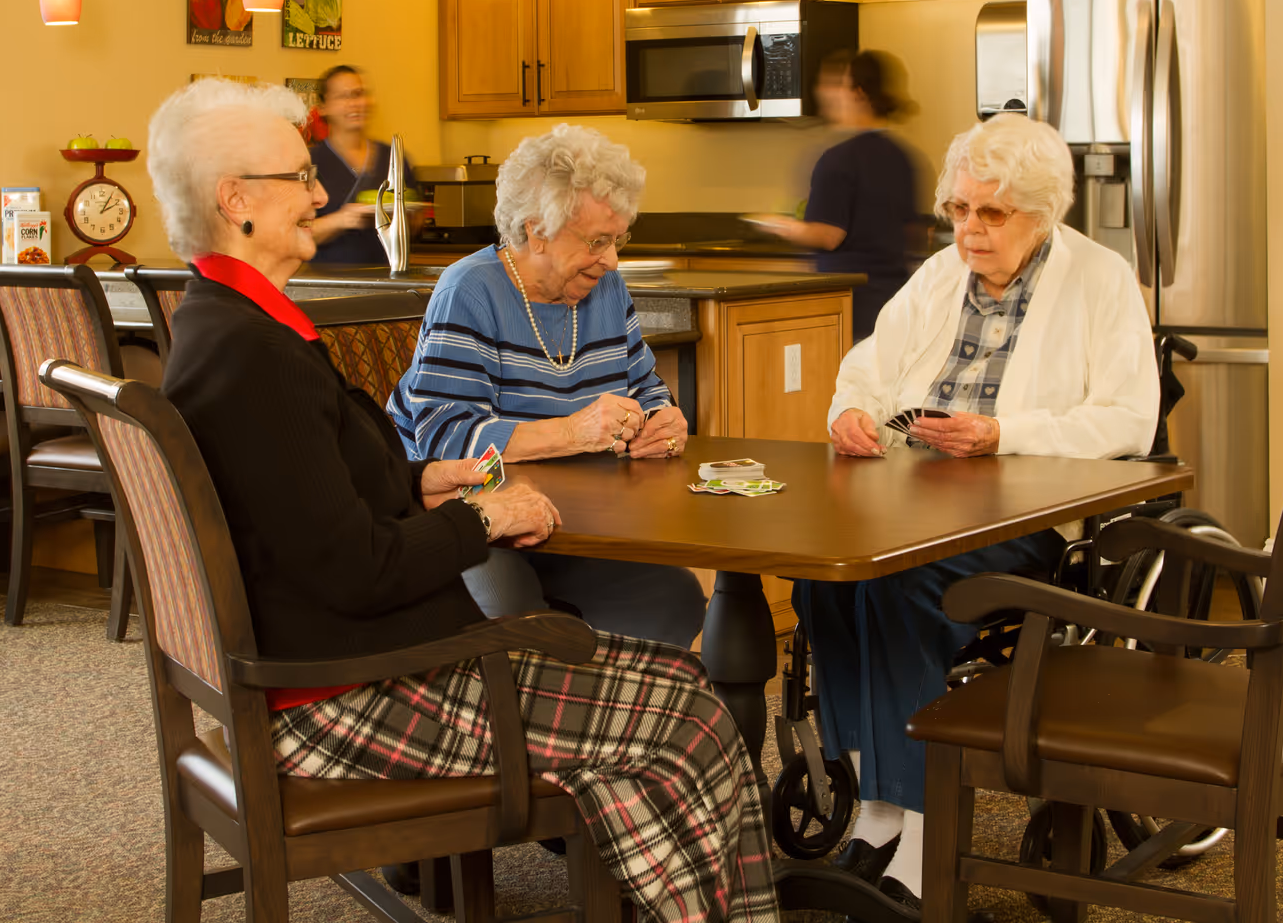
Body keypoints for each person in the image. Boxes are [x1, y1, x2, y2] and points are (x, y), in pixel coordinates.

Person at [145, 80, 776, 923]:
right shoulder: (256, 360)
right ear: (237, 201)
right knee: (690, 714)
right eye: (300, 176)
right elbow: (359, 571)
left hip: (350, 668)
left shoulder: (225, 328)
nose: (321, 193)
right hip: (349, 695)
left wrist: (423, 482)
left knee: (669, 674)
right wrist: (483, 515)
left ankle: (662, 892)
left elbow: (313, 502)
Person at [797, 113, 1159, 914]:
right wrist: (849, 414)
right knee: (822, 582)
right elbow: (865, 370)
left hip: (1021, 518)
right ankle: (877, 806)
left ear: (1042, 213)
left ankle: (922, 824)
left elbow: (1129, 421)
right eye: (959, 210)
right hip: (908, 499)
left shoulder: (1100, 281)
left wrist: (1003, 434)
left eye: (991, 214)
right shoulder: (936, 278)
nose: (969, 230)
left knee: (897, 591)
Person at [389, 124, 705, 650]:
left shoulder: (607, 290)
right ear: (536, 231)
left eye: (618, 239)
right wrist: (572, 433)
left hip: (576, 521)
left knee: (674, 597)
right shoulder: (469, 290)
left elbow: (645, 384)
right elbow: (445, 441)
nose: (612, 260)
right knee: (516, 621)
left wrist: (663, 420)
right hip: (477, 523)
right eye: (597, 242)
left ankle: (605, 719)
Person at [745, 50, 919, 339]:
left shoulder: (838, 158)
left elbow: (827, 234)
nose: (824, 92)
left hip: (847, 304)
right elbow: (913, 230)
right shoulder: (902, 156)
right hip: (894, 303)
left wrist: (780, 226)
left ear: (859, 93)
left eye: (836, 84)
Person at [306, 65, 404, 266]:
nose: (354, 104)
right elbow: (294, 234)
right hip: (329, 285)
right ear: (323, 107)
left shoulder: (392, 156)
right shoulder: (309, 162)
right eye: (343, 97)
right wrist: (343, 219)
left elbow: (415, 226)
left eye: (358, 94)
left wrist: (405, 216)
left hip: (388, 278)